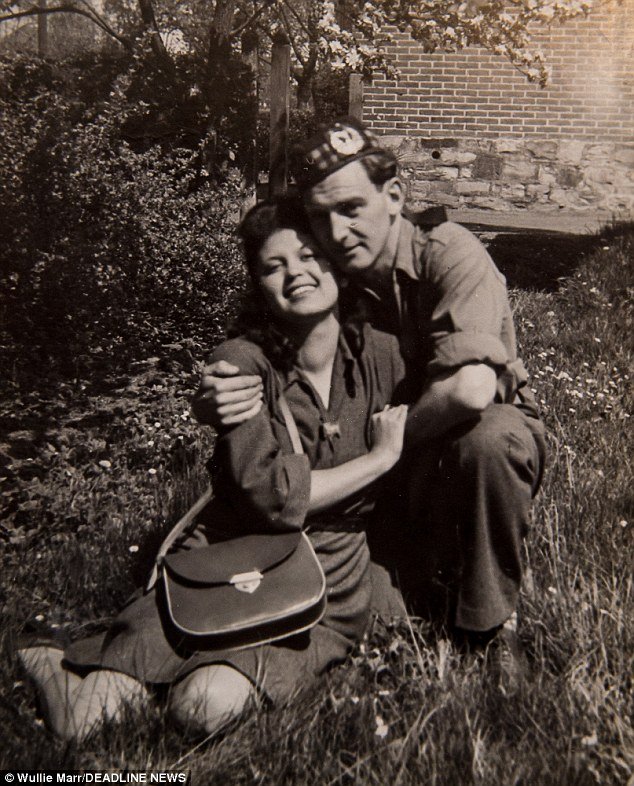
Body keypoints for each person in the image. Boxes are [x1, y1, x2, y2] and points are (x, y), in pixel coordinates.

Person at [18, 197, 408, 742]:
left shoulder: (385, 355)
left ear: (337, 264)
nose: (296, 273)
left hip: (329, 581)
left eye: (309, 255)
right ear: (258, 285)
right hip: (224, 560)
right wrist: (380, 459)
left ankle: (205, 679)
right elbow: (272, 497)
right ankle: (46, 658)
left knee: (205, 709)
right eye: (274, 266)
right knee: (85, 722)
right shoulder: (241, 364)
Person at [193, 118, 546, 687]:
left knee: (490, 440)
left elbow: (471, 390)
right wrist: (216, 394)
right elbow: (264, 339)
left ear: (395, 197)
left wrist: (383, 452)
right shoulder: (335, 274)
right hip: (374, 459)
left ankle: (488, 627)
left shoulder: (448, 253)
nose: (337, 231)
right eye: (320, 217)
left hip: (452, 439)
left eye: (352, 207)